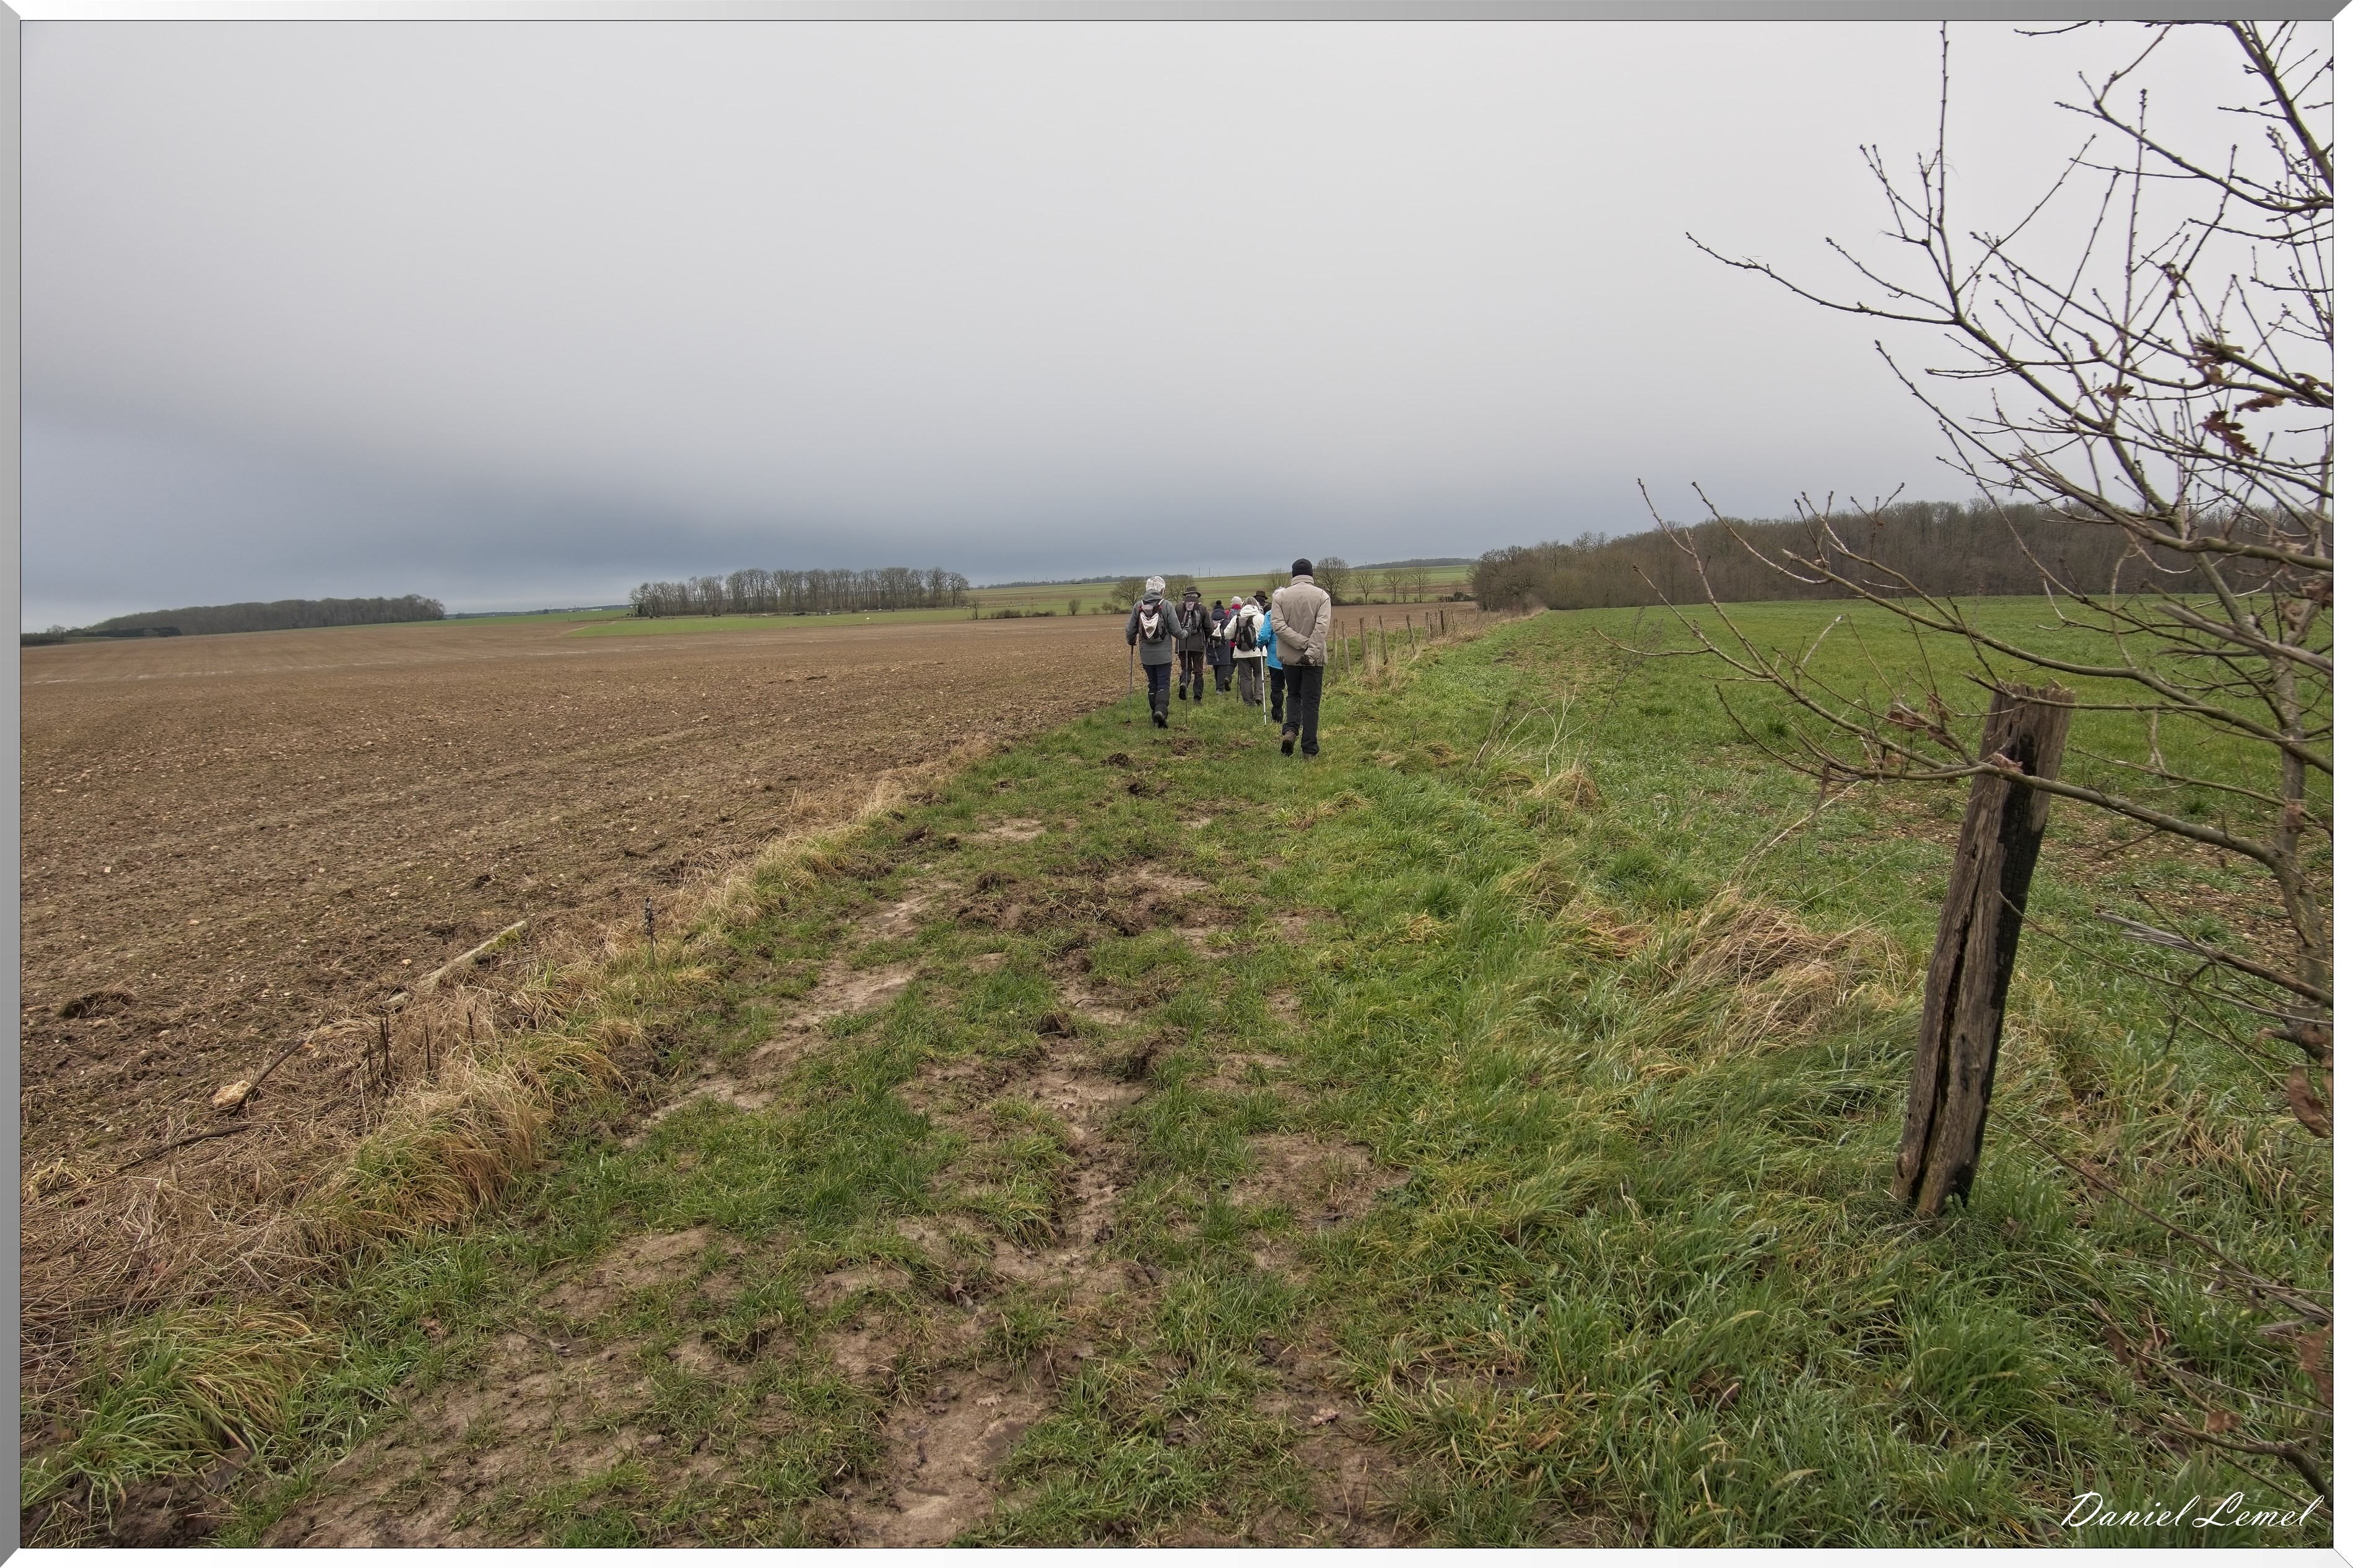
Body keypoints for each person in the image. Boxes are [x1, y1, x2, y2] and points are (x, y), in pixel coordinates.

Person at [1269, 558, 1333, 756]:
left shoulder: (1280, 598)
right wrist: (1310, 649)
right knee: (1311, 702)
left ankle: (1290, 731)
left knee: (1294, 695)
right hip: (1314, 660)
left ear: (1293, 575)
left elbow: (1278, 626)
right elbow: (1322, 628)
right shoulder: (1322, 596)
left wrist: (1299, 644)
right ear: (1312, 575)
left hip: (1289, 659)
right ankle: (1309, 749)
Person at [1124, 576, 1176, 727]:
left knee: (1153, 684)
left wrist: (1131, 641)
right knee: (1164, 683)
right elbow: (1176, 630)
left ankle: (1156, 715)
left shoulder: (1138, 606)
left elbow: (1130, 630)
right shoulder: (1166, 605)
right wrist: (1184, 634)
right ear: (1162, 590)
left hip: (1146, 654)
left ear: (1147, 589)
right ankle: (1161, 711)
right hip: (1164, 654)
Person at [1172, 585, 1211, 703]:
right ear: (1197, 596)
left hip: (1182, 644)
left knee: (1186, 667)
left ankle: (1184, 683)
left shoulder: (1178, 607)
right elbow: (1209, 627)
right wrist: (1207, 638)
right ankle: (1197, 697)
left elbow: (1173, 626)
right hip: (1198, 644)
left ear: (1186, 595)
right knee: (1198, 670)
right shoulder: (1202, 608)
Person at [1228, 595, 1265, 706]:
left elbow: (1227, 633)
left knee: (1245, 677)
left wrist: (1236, 638)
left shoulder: (1237, 617)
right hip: (1258, 651)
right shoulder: (1260, 617)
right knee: (1259, 674)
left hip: (1241, 652)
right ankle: (1259, 695)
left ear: (1243, 605)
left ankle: (1248, 703)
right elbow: (1267, 632)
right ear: (1256, 605)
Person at [1256, 588, 1283, 726]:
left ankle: (1278, 716)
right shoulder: (1294, 612)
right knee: (1296, 688)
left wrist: (1260, 643)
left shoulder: (1270, 614)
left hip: (1275, 655)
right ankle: (1298, 718)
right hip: (1294, 655)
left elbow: (1265, 633)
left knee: (1277, 687)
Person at [1208, 596, 1236, 693]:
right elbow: (1230, 635)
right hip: (1224, 647)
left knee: (1216, 666)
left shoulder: (1210, 621)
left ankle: (1218, 686)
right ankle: (1220, 689)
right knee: (1223, 667)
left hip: (1213, 648)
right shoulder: (1227, 621)